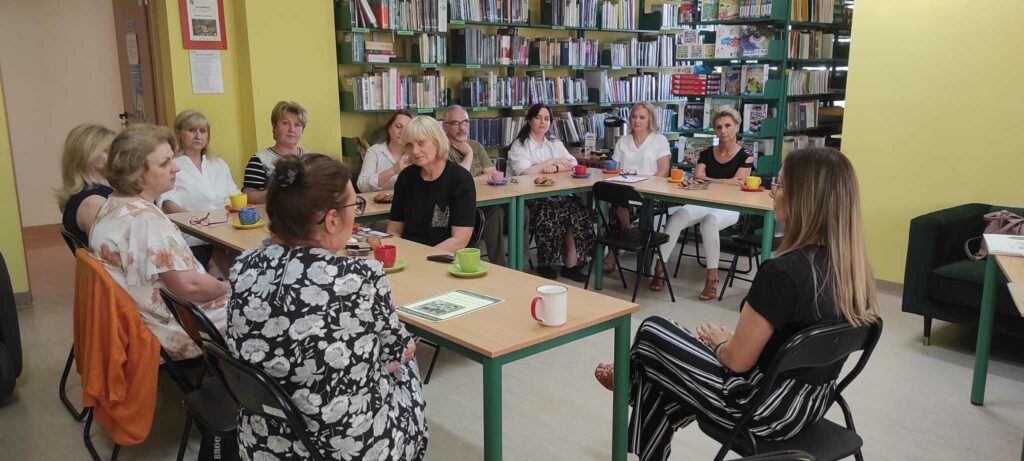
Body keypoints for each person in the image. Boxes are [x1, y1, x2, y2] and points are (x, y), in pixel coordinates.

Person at [594, 147, 879, 461]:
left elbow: (737, 363)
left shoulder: (782, 273)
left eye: (780, 185)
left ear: (805, 198)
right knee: (665, 371)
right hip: (808, 404)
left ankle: (630, 385)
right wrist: (731, 344)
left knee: (653, 332)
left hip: (759, 410)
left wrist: (720, 344)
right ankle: (637, 384)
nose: (772, 193)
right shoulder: (855, 271)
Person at [227, 153, 427, 460]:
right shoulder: (362, 275)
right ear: (332, 220)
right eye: (354, 206)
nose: (356, 216)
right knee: (407, 365)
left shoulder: (243, 267)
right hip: (346, 446)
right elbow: (397, 351)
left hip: (264, 442)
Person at [89, 124, 228, 361]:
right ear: (136, 173)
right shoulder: (146, 220)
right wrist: (231, 288)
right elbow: (190, 287)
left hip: (143, 317)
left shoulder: (110, 206)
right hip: (174, 326)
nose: (175, 168)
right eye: (164, 163)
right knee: (274, 305)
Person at [657, 106, 754, 297]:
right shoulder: (707, 152)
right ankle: (660, 268)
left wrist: (710, 180)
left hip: (730, 206)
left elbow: (739, 183)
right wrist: (725, 181)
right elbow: (698, 176)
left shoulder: (746, 155)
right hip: (702, 200)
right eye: (719, 127)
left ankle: (712, 277)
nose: (723, 131)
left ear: (737, 126)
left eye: (728, 126)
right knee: (677, 216)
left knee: (709, 221)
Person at [507, 103, 594, 281]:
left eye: (546, 118)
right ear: (530, 120)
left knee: (577, 208)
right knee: (552, 210)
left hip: (555, 193)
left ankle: (572, 264)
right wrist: (553, 162)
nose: (542, 122)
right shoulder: (520, 145)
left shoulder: (554, 142)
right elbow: (525, 172)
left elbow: (572, 164)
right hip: (526, 197)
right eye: (538, 117)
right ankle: (544, 263)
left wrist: (553, 167)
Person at [159, 110, 240, 272]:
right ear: (179, 134)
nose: (198, 136)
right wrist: (199, 224)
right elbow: (168, 204)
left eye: (203, 131)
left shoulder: (218, 164)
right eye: (191, 130)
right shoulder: (172, 165)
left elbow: (236, 197)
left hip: (227, 236)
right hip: (192, 239)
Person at [602, 102, 672, 276]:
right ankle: (627, 229)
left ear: (650, 120)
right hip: (624, 189)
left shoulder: (659, 140)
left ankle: (615, 248)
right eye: (634, 116)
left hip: (650, 190)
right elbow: (615, 168)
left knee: (620, 204)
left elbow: (663, 172)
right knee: (614, 199)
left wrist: (646, 183)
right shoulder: (623, 141)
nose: (637, 120)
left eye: (642, 117)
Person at [387, 116, 476, 251]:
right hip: (411, 255)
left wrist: (423, 258)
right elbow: (394, 230)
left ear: (438, 142)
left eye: (421, 143)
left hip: (447, 258)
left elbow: (459, 240)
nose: (415, 151)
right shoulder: (406, 177)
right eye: (409, 145)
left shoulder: (460, 179)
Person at [442, 105, 507, 266]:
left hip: (485, 198)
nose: (462, 127)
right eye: (456, 123)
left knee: (523, 212)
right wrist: (469, 155)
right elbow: (457, 182)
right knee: (496, 213)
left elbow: (493, 174)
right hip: (457, 205)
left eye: (465, 122)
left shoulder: (475, 144)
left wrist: (472, 178)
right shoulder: (441, 148)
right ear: (445, 126)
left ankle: (517, 267)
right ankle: (499, 266)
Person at [55, 123, 117, 246]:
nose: (116, 156)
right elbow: (114, 252)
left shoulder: (92, 192)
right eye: (107, 151)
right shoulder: (93, 203)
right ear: (87, 157)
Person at [242, 100, 309, 204]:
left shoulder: (311, 159)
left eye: (297, 125)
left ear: (302, 130)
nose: (292, 129)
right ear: (274, 127)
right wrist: (277, 190)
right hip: (272, 217)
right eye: (285, 123)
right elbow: (248, 197)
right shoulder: (259, 160)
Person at [357, 109, 413, 192]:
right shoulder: (374, 152)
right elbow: (362, 186)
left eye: (406, 128)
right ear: (389, 128)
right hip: (377, 204)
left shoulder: (414, 153)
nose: (402, 132)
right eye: (398, 126)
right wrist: (393, 170)